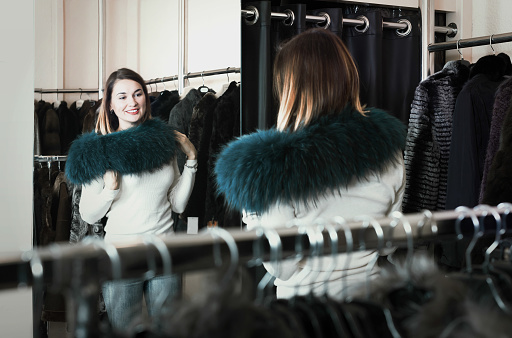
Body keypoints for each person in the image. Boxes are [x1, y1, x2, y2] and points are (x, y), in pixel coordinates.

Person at [214, 28, 406, 300]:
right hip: (370, 308)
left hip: (308, 313)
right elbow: (388, 246)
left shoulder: (276, 165)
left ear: (293, 87)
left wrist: (253, 213)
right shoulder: (389, 150)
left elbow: (282, 267)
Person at [65, 68, 197, 332]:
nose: (132, 102)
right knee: (125, 330)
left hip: (164, 252)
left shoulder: (163, 142)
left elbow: (178, 204)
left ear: (146, 99)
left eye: (138, 94)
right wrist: (110, 190)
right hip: (123, 255)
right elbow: (89, 215)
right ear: (111, 104)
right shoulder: (99, 150)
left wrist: (192, 160)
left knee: (169, 330)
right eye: (122, 97)